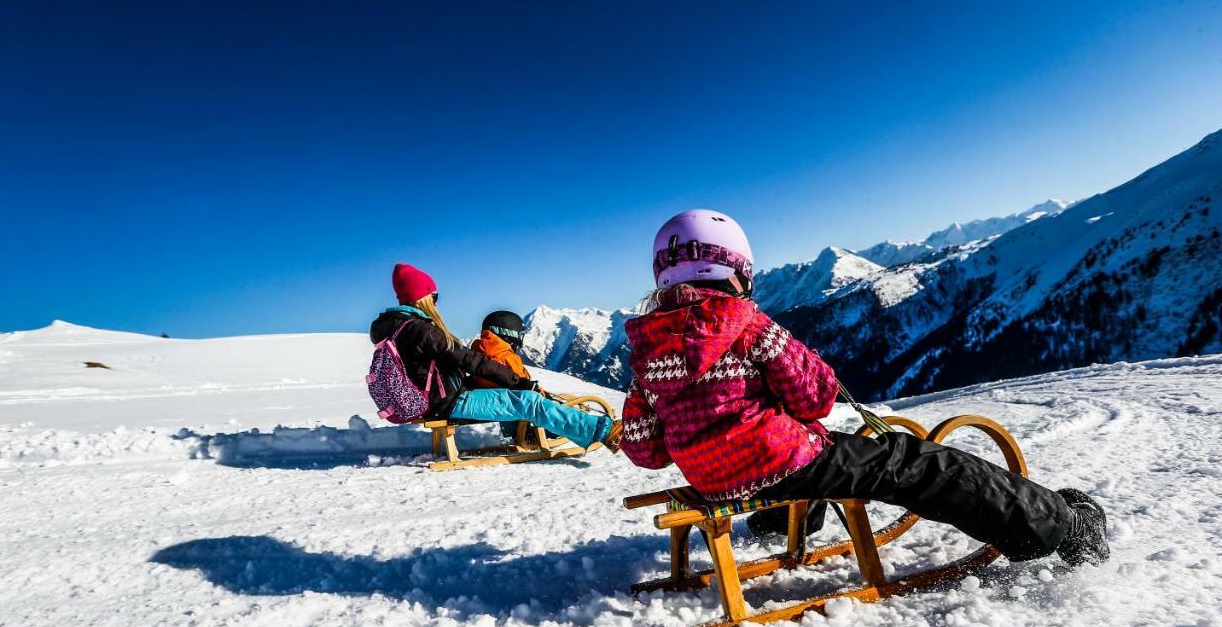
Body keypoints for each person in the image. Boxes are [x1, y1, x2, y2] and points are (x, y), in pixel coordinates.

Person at [619, 210, 1108, 567]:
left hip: (712, 479)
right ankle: (1060, 527)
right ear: (737, 270)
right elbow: (816, 399)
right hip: (777, 465)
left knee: (801, 453)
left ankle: (780, 522)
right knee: (919, 464)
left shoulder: (645, 354)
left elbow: (646, 451)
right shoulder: (749, 325)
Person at [369, 263, 622, 453]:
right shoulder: (421, 330)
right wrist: (516, 381)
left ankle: (527, 431)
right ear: (422, 298)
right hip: (448, 402)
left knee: (513, 397)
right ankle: (602, 430)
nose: (436, 303)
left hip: (433, 400)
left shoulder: (394, 329)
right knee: (529, 401)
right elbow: (470, 360)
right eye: (433, 297)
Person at [470, 311, 531, 388]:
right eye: (519, 335)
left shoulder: (475, 355)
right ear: (508, 334)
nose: (520, 340)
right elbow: (525, 391)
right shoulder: (508, 359)